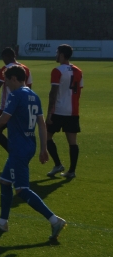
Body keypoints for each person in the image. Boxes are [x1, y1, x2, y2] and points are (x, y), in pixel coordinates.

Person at [0, 65, 67, 241]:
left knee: (22, 190)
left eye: (7, 80)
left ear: (14, 79)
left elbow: (3, 119)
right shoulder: (34, 95)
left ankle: (54, 220)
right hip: (28, 145)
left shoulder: (16, 95)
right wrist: (43, 148)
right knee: (4, 181)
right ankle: (2, 222)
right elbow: (41, 123)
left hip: (18, 148)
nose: (6, 84)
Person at [45, 44, 84, 179]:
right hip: (73, 111)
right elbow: (79, 91)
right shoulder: (78, 71)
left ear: (61, 54)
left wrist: (49, 113)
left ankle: (58, 164)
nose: (56, 55)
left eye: (57, 53)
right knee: (72, 142)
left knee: (46, 136)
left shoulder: (57, 71)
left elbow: (53, 93)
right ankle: (71, 171)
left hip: (58, 110)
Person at [0, 47, 32, 152]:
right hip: (22, 106)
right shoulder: (25, 69)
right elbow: (29, 88)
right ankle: (18, 153)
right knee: (17, 132)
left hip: (6, 106)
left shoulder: (5, 69)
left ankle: (13, 152)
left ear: (5, 57)